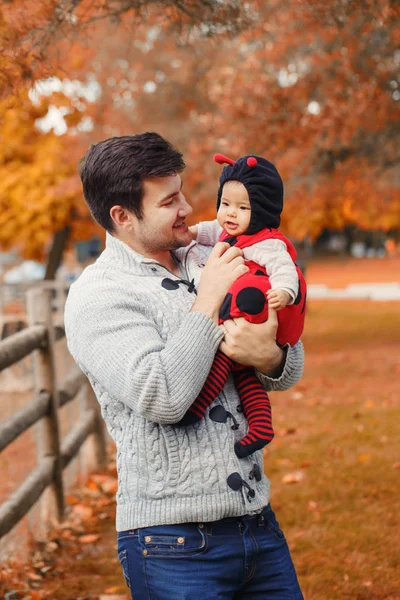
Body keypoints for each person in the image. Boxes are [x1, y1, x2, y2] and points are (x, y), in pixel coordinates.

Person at [64, 133, 305, 599]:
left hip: (257, 523)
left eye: (183, 192)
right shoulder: (99, 295)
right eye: (169, 200)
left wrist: (271, 357)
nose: (188, 208)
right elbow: (162, 396)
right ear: (122, 216)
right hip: (170, 544)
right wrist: (210, 296)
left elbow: (287, 362)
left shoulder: (204, 255)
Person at [177, 153, 307, 459]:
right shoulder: (229, 230)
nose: (230, 214)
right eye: (225, 204)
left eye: (243, 207)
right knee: (246, 376)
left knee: (225, 355)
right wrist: (193, 233)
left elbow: (284, 268)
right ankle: (261, 427)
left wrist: (285, 292)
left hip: (255, 314)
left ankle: (197, 407)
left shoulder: (267, 242)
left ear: (260, 211)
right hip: (242, 316)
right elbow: (212, 229)